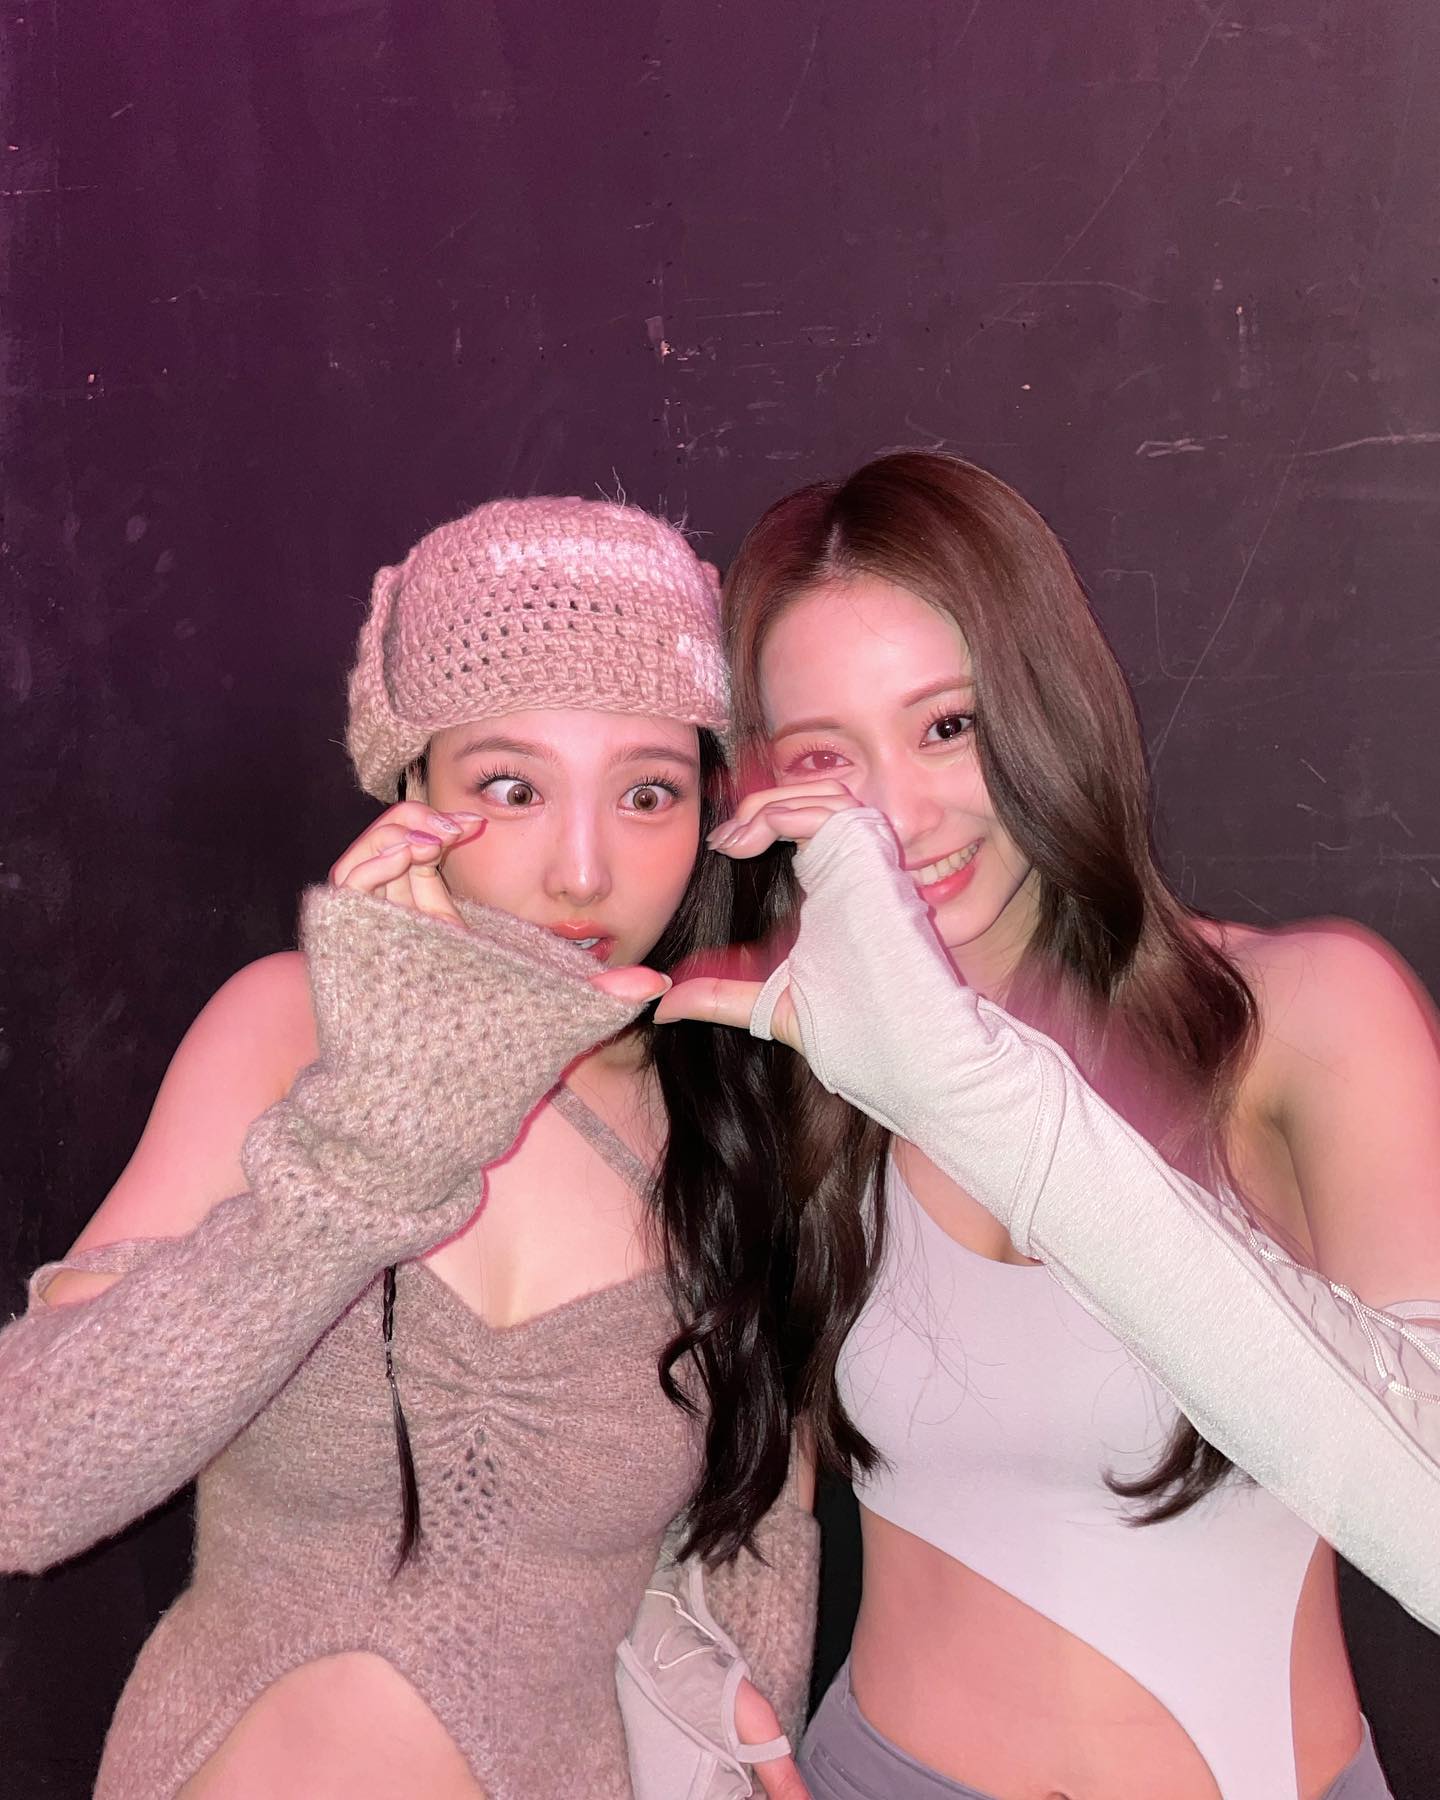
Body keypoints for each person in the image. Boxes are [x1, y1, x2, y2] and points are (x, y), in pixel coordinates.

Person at [0, 496, 817, 1800]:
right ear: (410, 793)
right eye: (512, 786)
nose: (584, 869)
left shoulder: (739, 1118)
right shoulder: (288, 1030)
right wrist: (377, 1142)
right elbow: (25, 1485)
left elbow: (752, 1552)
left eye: (647, 792)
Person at [657, 451, 1440, 1800]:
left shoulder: (1300, 1018)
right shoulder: (783, 1064)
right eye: (828, 758)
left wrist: (962, 1084)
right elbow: (699, 1498)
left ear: (1045, 705)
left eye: (947, 725)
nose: (898, 818)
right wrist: (701, 1707)